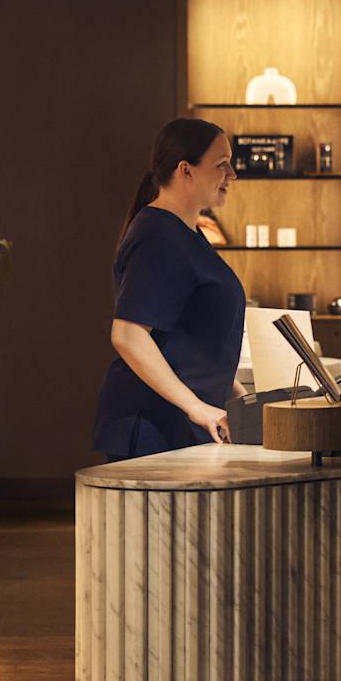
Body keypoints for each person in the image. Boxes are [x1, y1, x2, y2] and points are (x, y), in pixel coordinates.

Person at [91, 118, 244, 461]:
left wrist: (237, 395)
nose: (232, 174)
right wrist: (197, 407)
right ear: (185, 170)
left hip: (184, 425)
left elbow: (190, 339)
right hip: (154, 427)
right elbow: (128, 335)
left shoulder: (187, 232)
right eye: (221, 165)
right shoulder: (158, 235)